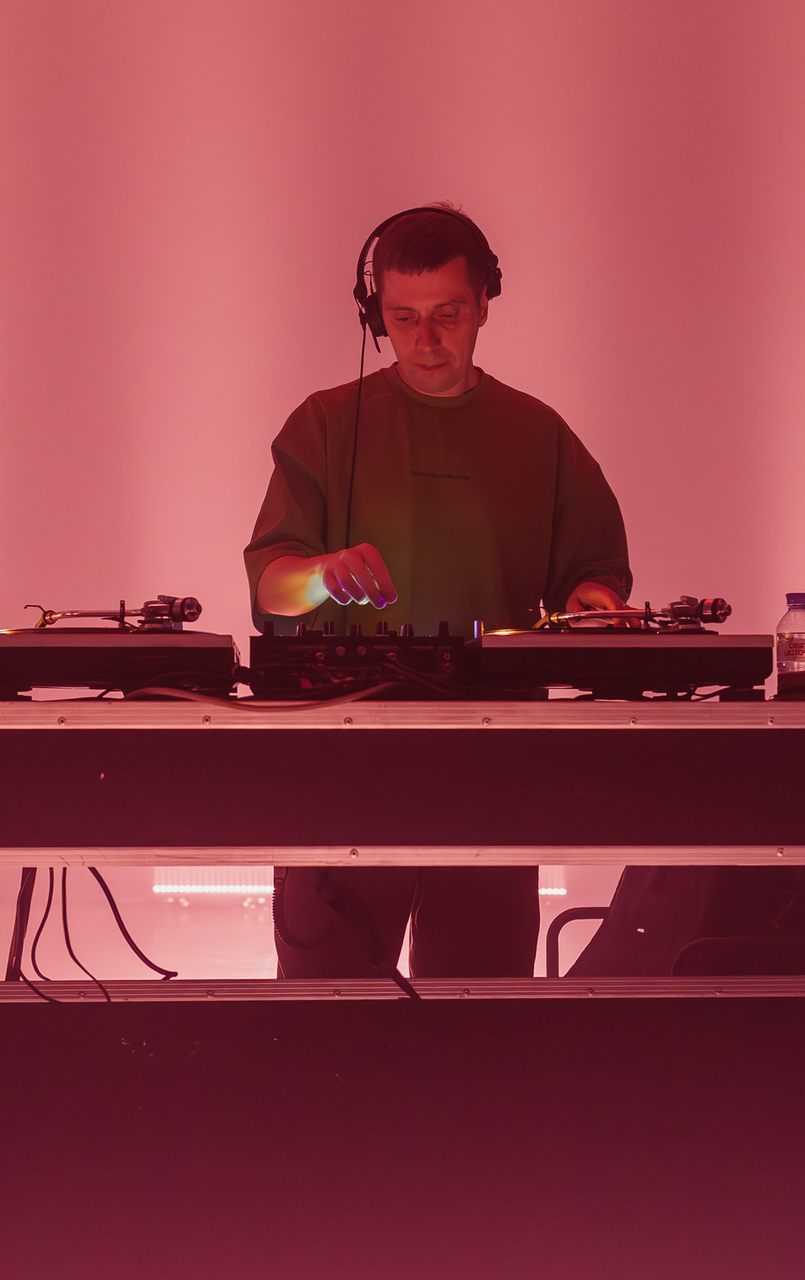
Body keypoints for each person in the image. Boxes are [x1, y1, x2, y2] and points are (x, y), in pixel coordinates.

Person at [244, 203, 632, 981]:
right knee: (326, 1019)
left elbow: (595, 577)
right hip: (341, 767)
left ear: (485, 302)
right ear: (375, 314)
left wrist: (592, 608)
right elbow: (272, 586)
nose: (424, 340)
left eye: (447, 315)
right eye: (402, 318)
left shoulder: (540, 435)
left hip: (494, 771)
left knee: (478, 1018)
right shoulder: (326, 423)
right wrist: (322, 572)